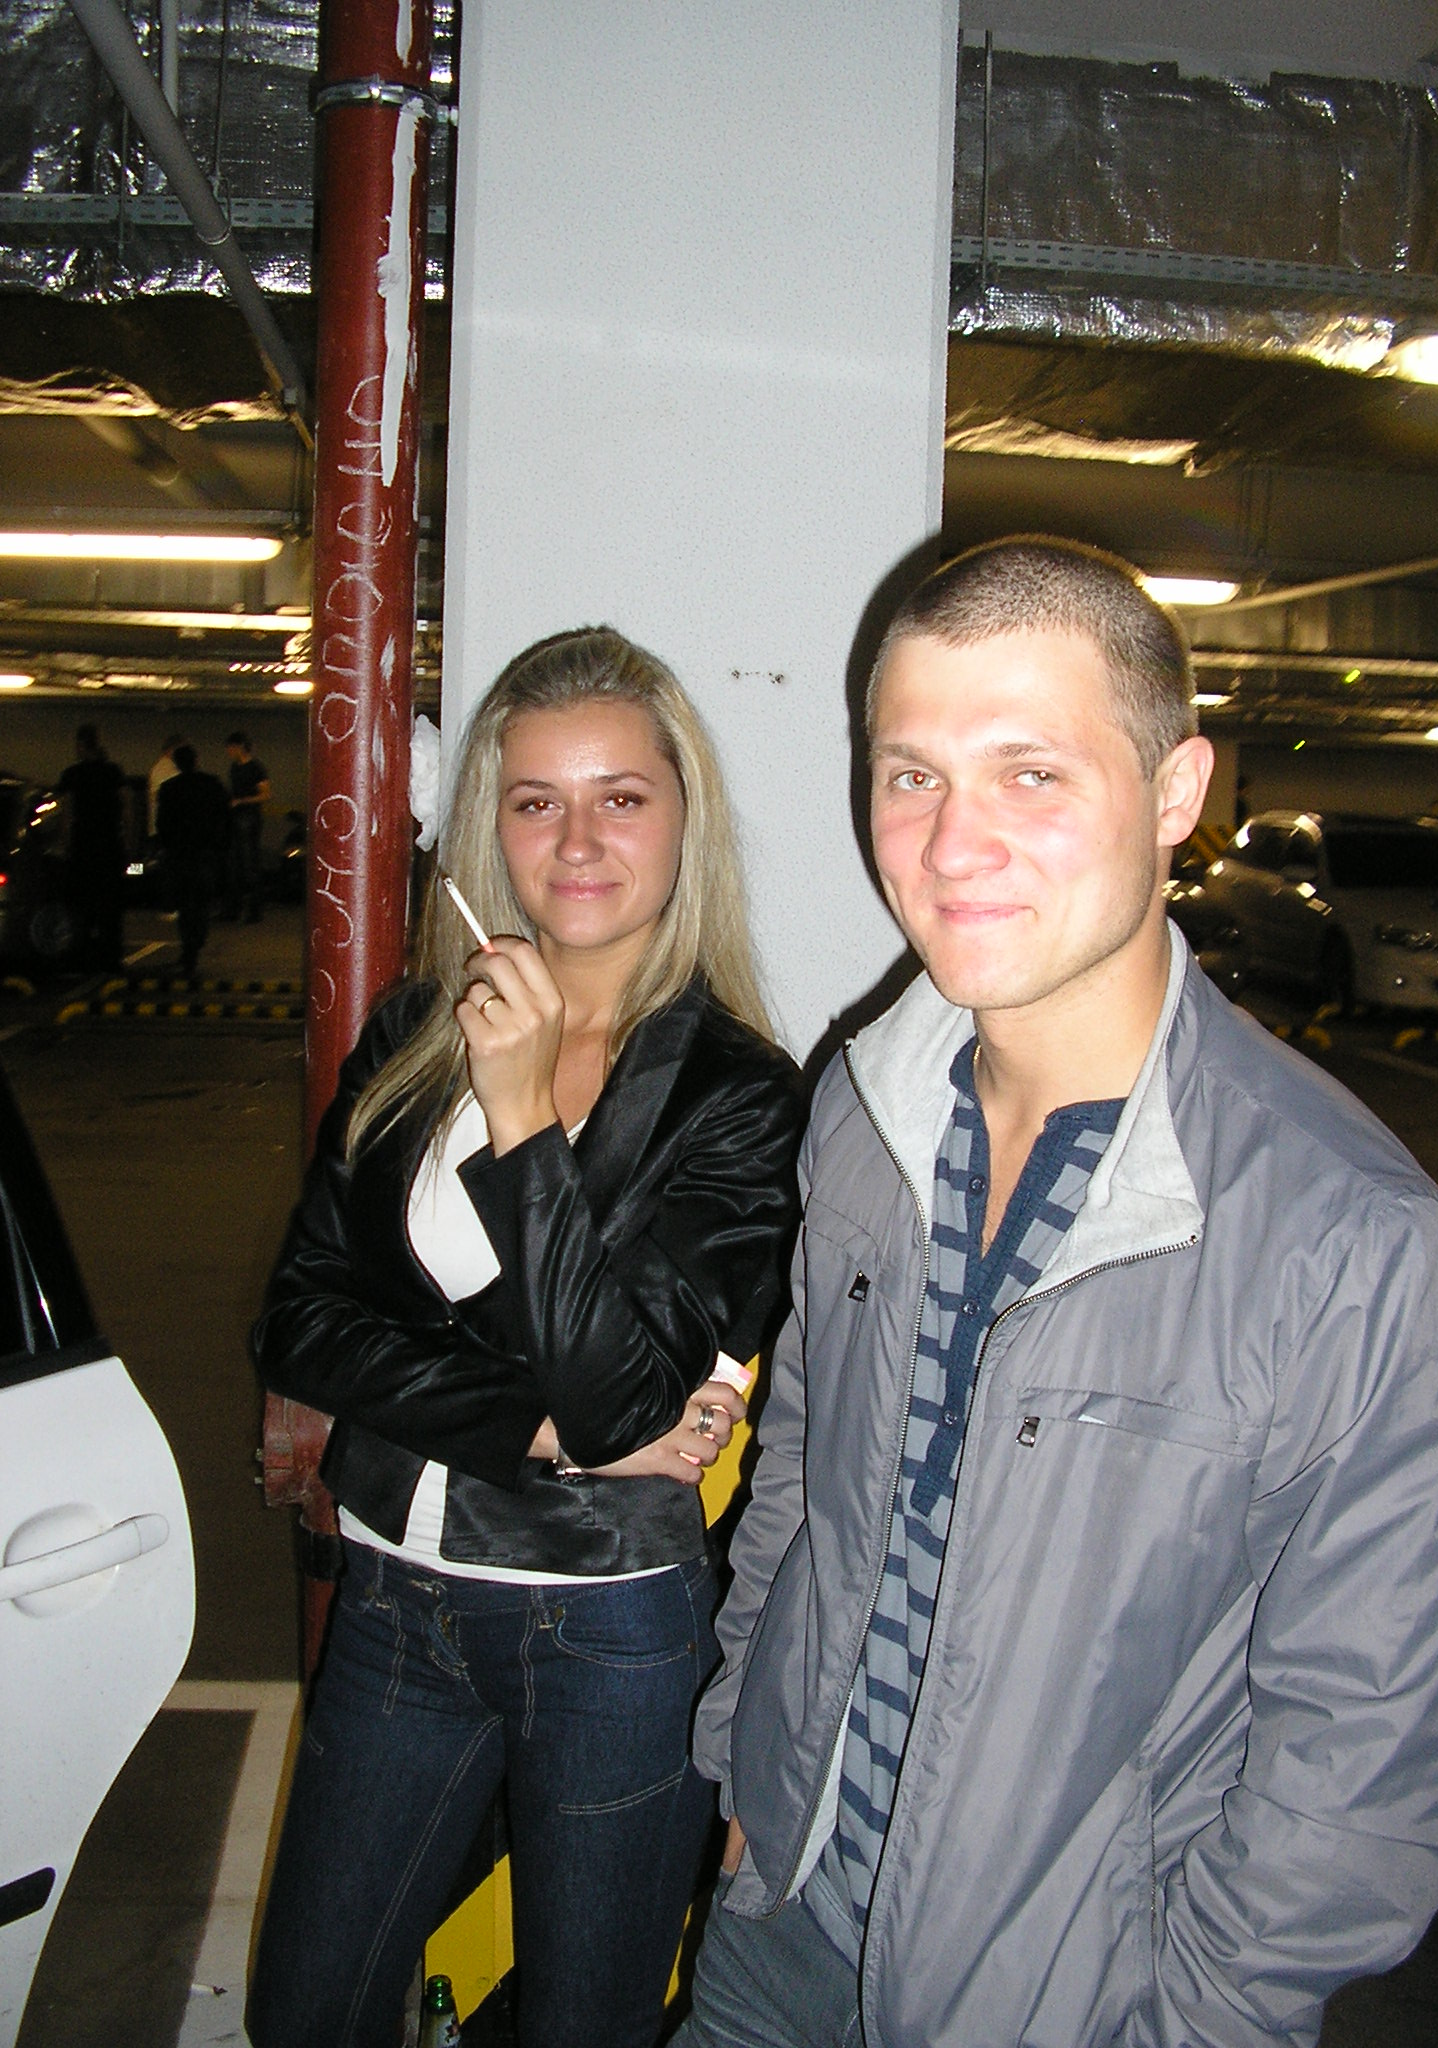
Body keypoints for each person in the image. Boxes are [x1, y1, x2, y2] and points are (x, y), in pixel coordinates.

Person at [677, 538, 1438, 2048]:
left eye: (1032, 774)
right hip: (777, 1922)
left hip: (1065, 2003)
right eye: (911, 775)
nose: (951, 844)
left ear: (1177, 793)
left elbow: (1368, 1755)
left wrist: (1196, 2019)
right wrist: (750, 1761)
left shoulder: (1350, 1243)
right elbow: (804, 1473)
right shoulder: (864, 1109)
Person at [246, 627, 803, 2048]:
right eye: (536, 799)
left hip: (606, 1629)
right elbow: (301, 1319)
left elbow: (625, 1401)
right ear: (490, 824)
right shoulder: (417, 1030)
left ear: (684, 819)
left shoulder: (740, 1096)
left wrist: (521, 1117)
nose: (578, 840)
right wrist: (535, 1427)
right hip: (393, 1602)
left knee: (581, 2023)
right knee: (308, 2009)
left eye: (622, 796)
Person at [56, 722, 126, 970]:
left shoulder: (72, 775)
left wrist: (65, 845)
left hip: (82, 847)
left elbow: (67, 813)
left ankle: (82, 953)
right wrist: (127, 844)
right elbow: (126, 808)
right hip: (109, 846)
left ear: (81, 745)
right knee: (110, 906)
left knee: (81, 905)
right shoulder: (113, 772)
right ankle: (111, 956)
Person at [155, 743, 229, 975]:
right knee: (201, 901)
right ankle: (196, 942)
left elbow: (162, 823)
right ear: (196, 760)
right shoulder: (212, 784)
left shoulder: (169, 789)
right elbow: (224, 816)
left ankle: (189, 947)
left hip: (179, 853)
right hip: (205, 852)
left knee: (184, 902)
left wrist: (165, 846)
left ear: (176, 764)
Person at [224, 729, 270, 922]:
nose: (228, 752)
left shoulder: (255, 768)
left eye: (231, 748)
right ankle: (235, 908)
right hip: (238, 817)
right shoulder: (235, 767)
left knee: (249, 863)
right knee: (236, 863)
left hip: (249, 817)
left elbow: (265, 794)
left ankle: (252, 910)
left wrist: (242, 801)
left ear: (239, 747)